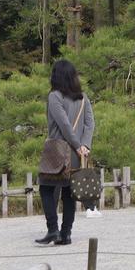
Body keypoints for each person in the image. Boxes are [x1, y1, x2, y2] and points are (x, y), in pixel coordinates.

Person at [35, 59, 94, 246]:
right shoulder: (83, 97)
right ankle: (66, 234)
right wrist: (84, 146)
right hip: (77, 155)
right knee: (69, 192)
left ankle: (53, 229)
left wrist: (76, 145)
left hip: (59, 151)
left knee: (45, 187)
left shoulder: (55, 96)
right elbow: (89, 123)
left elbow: (64, 125)